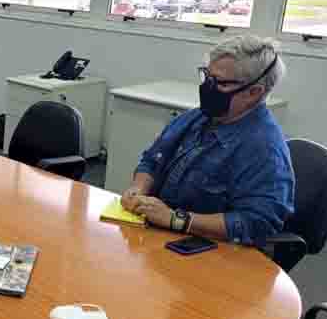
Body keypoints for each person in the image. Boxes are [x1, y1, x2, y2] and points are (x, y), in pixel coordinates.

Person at [120, 35, 294, 245]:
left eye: (219, 82)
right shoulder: (197, 118)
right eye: (206, 76)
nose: (208, 87)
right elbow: (152, 160)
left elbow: (257, 222)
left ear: (254, 92)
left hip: (211, 250)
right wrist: (137, 189)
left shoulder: (264, 148)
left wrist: (177, 220)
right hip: (158, 235)